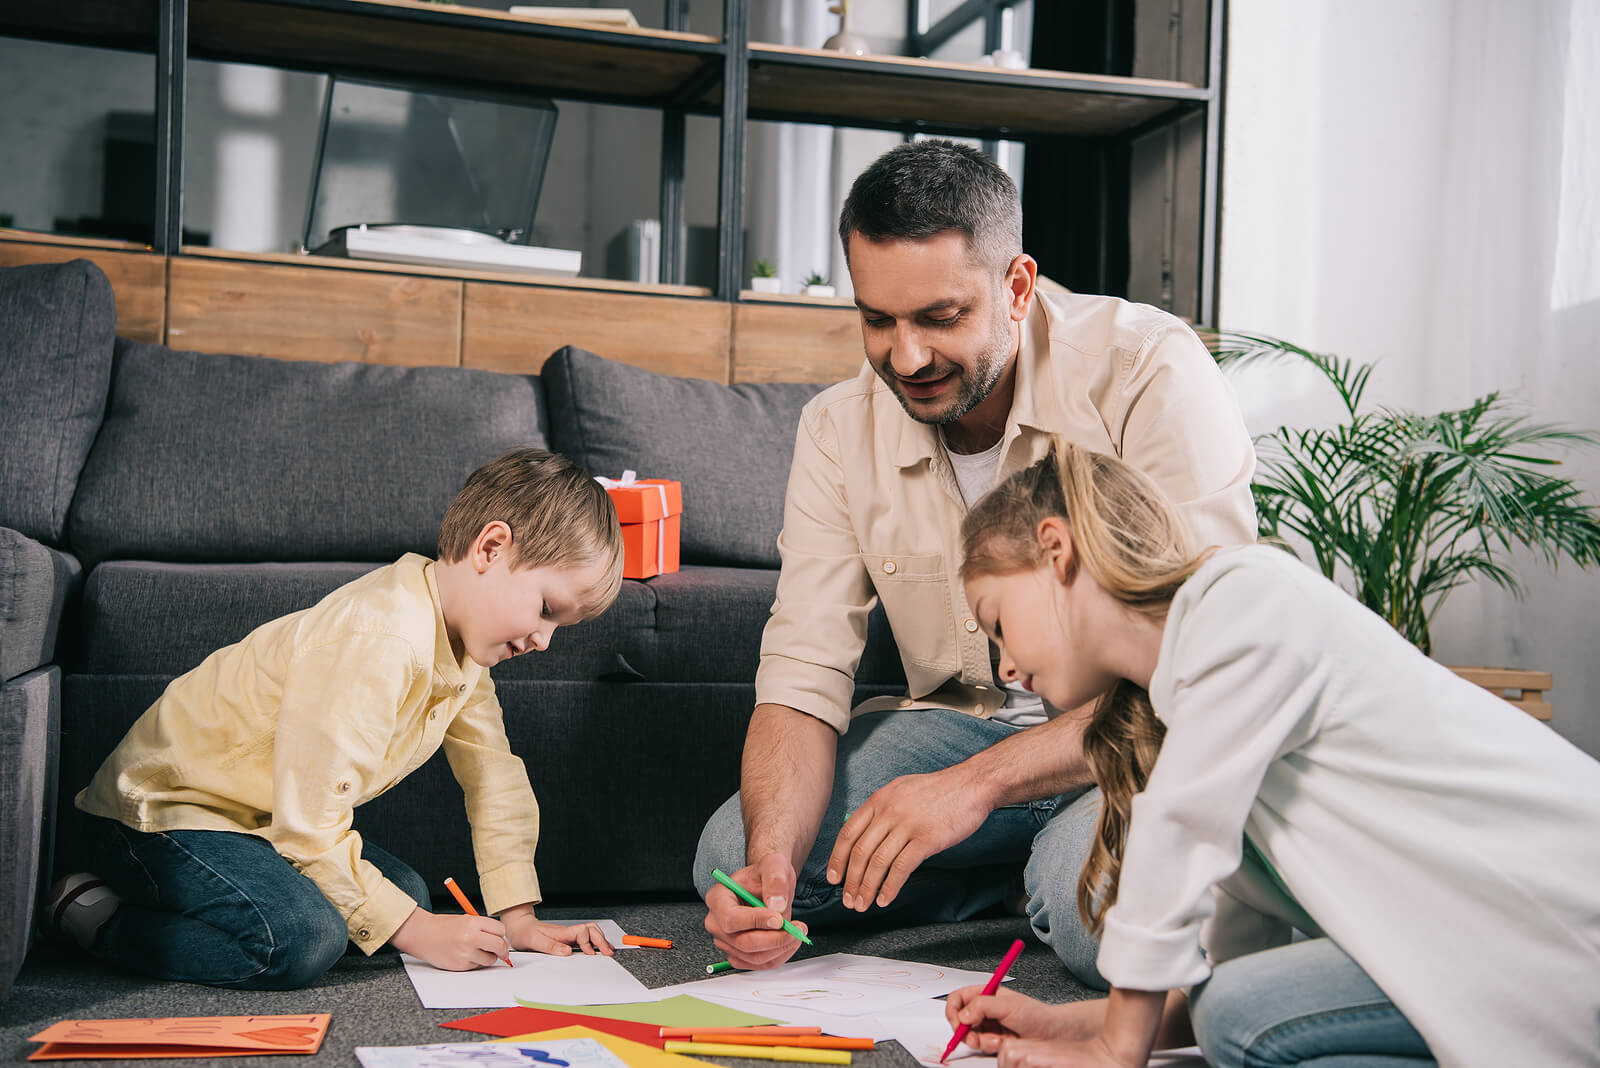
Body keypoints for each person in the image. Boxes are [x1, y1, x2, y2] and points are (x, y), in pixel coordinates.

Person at [695, 138, 1258, 985]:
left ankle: (1017, 872)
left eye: (940, 317)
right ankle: (1007, 872)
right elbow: (804, 668)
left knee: (1096, 921)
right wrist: (769, 871)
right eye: (877, 319)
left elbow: (1209, 658)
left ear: (1017, 287)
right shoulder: (835, 428)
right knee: (731, 856)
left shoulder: (1147, 371)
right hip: (957, 728)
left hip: (1124, 738)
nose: (906, 358)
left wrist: (975, 788)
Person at [944, 439, 1600, 1068]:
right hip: (1463, 938)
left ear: (1055, 550)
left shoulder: (1239, 601)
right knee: (1239, 1008)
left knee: (1242, 1016)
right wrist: (1073, 1023)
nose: (1004, 666)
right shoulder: (1183, 703)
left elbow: (1177, 836)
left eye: (997, 622)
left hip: (1554, 920)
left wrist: (1119, 1049)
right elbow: (1230, 959)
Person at [48, 448, 626, 989]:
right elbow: (311, 825)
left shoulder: (463, 652)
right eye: (547, 610)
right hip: (159, 813)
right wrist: (416, 929)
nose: (545, 640)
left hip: (260, 817)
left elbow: (494, 774)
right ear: (491, 547)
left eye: (560, 627)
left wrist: (517, 916)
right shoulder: (379, 637)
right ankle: (101, 919)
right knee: (302, 939)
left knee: (405, 891)